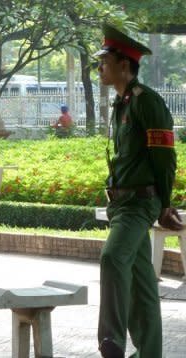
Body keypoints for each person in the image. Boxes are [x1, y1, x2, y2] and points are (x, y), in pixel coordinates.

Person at [94, 24, 182, 358]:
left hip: (140, 202)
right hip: (123, 204)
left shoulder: (147, 102)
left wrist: (165, 203)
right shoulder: (121, 104)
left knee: (113, 257)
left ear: (124, 65)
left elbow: (165, 157)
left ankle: (110, 340)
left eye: (104, 61)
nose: (100, 67)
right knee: (143, 287)